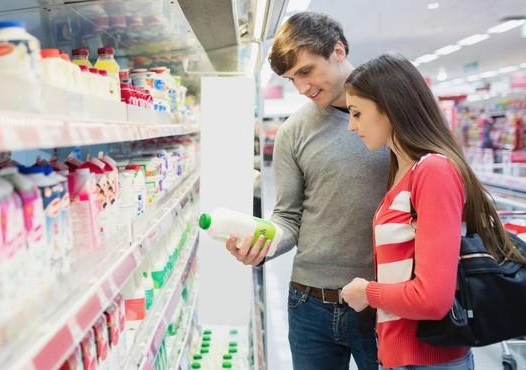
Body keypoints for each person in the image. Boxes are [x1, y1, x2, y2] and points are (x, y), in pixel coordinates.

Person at [224, 12, 389, 370]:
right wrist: (263, 246)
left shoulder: (393, 116)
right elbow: (288, 216)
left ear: (338, 50)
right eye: (291, 78)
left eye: (306, 71)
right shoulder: (293, 132)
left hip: (381, 301)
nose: (301, 88)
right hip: (309, 303)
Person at [341, 52, 526, 369]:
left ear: (388, 107)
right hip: (403, 357)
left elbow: (433, 299)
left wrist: (368, 293)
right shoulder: (405, 170)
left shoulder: (433, 171)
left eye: (357, 113)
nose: (350, 125)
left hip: (428, 360)